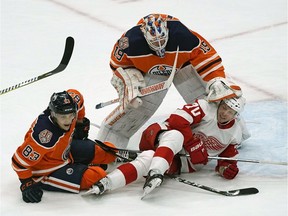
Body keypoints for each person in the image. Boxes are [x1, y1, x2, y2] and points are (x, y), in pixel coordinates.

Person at [96, 13, 243, 149]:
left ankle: (232, 139)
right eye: (155, 42)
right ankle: (107, 147)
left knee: (216, 100)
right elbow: (117, 67)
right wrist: (129, 83)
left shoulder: (183, 35)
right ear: (144, 35)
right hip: (151, 71)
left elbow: (206, 56)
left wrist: (215, 79)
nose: (160, 47)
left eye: (162, 40)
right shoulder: (129, 42)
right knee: (135, 108)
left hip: (184, 65)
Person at [87, 96, 250, 197]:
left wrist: (226, 170)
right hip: (160, 137)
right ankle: (156, 172)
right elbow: (177, 120)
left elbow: (227, 161)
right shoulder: (206, 107)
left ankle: (106, 184)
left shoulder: (235, 133)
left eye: (230, 112)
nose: (224, 113)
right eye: (224, 108)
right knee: (176, 135)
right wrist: (192, 143)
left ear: (236, 115)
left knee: (149, 159)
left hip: (179, 162)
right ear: (220, 104)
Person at [11, 89, 119, 203]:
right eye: (63, 117)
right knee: (98, 176)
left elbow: (77, 95)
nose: (68, 120)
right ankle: (47, 179)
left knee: (110, 151)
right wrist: (26, 183)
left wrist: (80, 121)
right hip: (47, 170)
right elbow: (18, 162)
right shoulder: (44, 136)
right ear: (53, 114)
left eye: (71, 115)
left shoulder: (72, 105)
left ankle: (80, 164)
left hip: (64, 151)